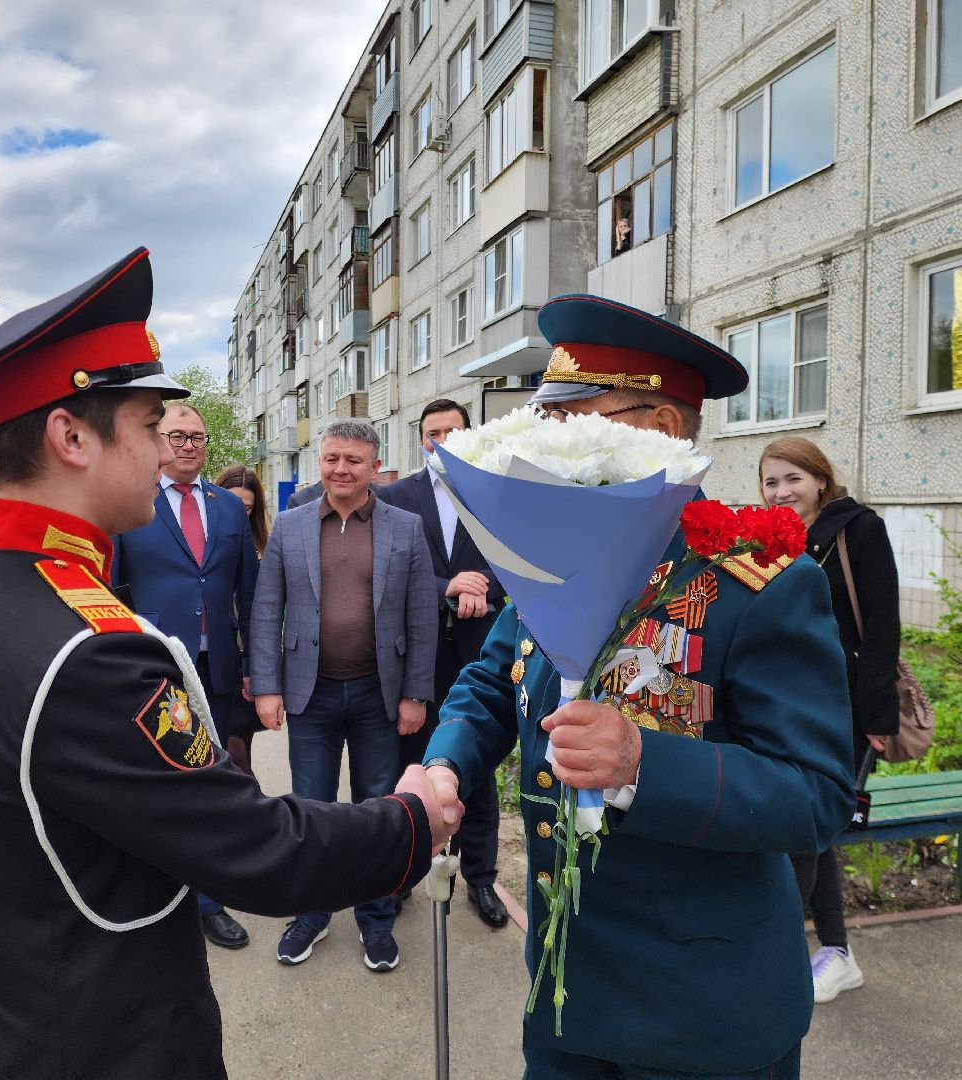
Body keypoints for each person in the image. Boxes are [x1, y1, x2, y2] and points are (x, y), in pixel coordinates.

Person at [0, 247, 456, 1080]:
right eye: (152, 426)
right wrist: (412, 818)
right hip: (102, 1046)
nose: (167, 450)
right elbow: (259, 847)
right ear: (71, 435)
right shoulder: (86, 651)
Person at [423, 294, 855, 1079]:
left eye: (570, 418)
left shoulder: (756, 582)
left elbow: (819, 795)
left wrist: (641, 766)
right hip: (565, 992)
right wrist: (447, 763)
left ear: (657, 429)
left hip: (701, 1011)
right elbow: (496, 677)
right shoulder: (554, 553)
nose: (544, 442)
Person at [249, 420, 438, 973]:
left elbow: (422, 616)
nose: (341, 469)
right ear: (320, 463)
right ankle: (313, 913)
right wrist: (266, 686)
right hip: (313, 695)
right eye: (332, 458)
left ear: (375, 467)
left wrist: (416, 695)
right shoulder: (290, 527)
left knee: (380, 808)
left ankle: (376, 919)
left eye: (353, 460)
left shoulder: (406, 527)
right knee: (311, 810)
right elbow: (266, 610)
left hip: (381, 696)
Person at [111, 402, 260, 951]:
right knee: (156, 780)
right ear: (157, 440)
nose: (189, 446)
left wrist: (254, 667)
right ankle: (155, 893)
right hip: (154, 668)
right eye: (177, 436)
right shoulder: (132, 501)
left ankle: (209, 901)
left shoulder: (226, 509)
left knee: (213, 781)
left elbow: (252, 592)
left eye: (197, 437)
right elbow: (110, 589)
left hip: (217, 669)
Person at [760, 436, 899, 1004]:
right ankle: (836, 954)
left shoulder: (857, 529)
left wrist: (877, 718)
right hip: (789, 704)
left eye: (793, 478)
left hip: (845, 710)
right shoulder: (772, 538)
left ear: (821, 479)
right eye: (771, 481)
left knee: (809, 831)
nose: (782, 491)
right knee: (812, 830)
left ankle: (783, 955)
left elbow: (883, 625)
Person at [383, 399, 510, 929]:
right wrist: (446, 587)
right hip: (420, 657)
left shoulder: (501, 494)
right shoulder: (395, 497)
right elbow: (388, 573)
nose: (442, 441)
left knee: (476, 770)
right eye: (432, 433)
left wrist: (484, 586)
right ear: (421, 440)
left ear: (469, 435)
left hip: (482, 653)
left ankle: (481, 880)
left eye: (452, 431)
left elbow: (521, 566)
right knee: (415, 767)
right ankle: (405, 877)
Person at [213, 464, 268, 777]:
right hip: (215, 657)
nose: (238, 513)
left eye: (246, 508)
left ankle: (248, 817)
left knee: (237, 751)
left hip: (245, 661)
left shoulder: (263, 546)